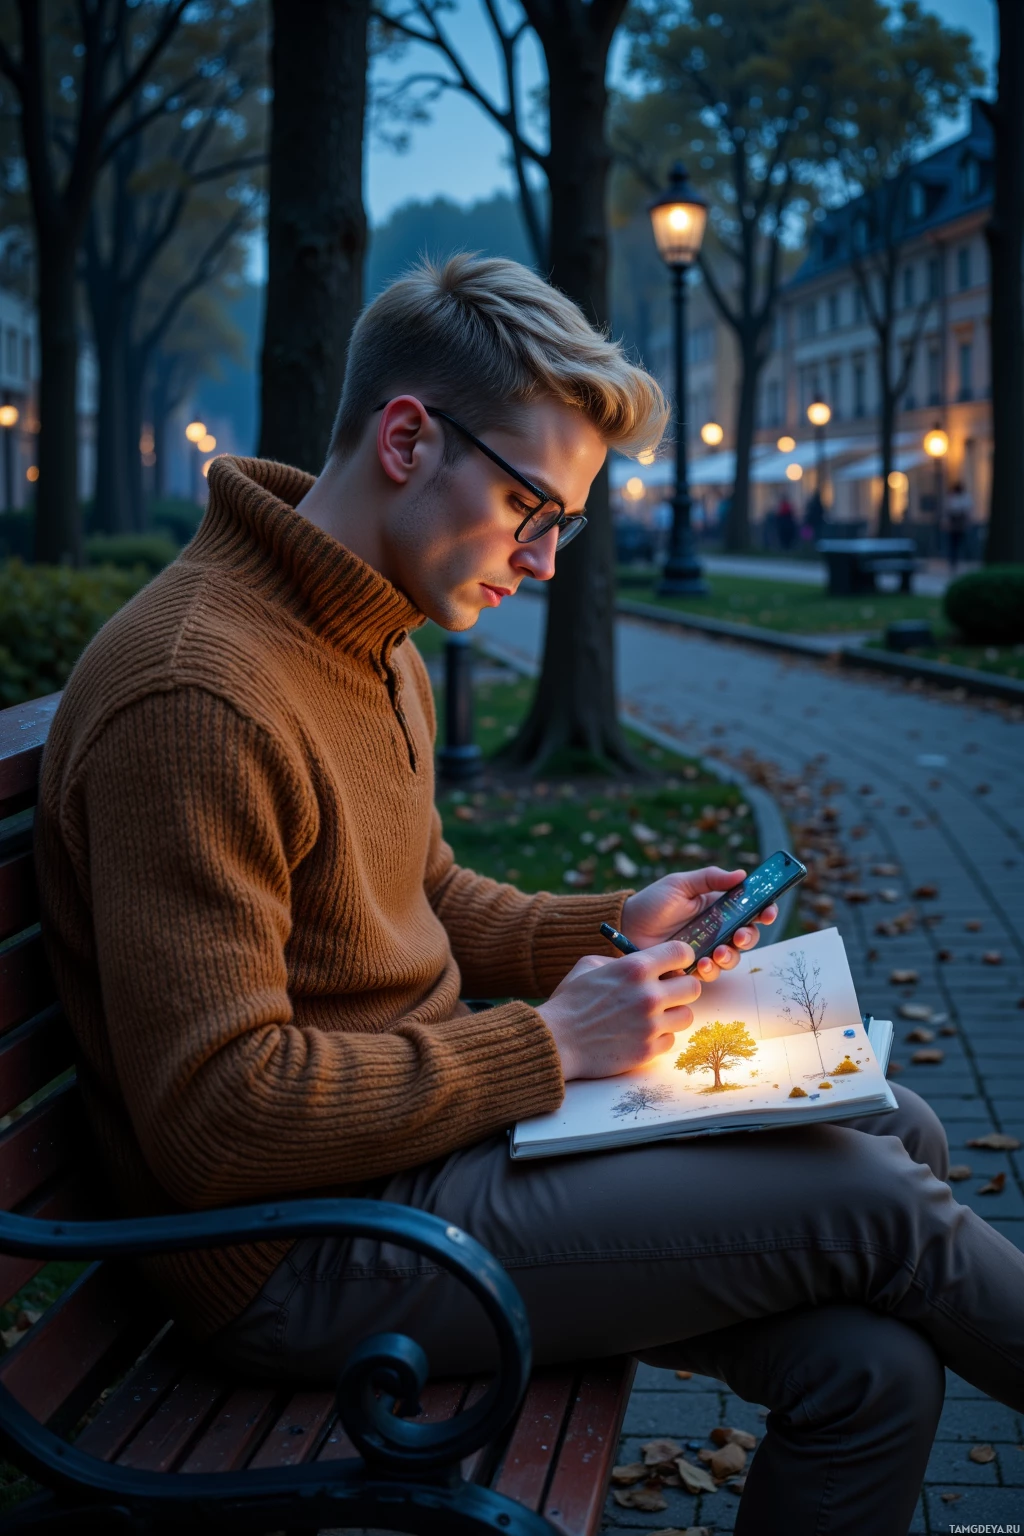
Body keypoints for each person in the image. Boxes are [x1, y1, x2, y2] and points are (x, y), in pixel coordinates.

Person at [35, 255, 1023, 1536]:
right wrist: (553, 1044)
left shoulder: (366, 634)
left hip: (413, 1157)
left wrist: (614, 930)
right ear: (406, 439)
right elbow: (217, 1118)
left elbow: (419, 891)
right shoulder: (200, 694)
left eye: (561, 525)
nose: (545, 561)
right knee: (882, 1200)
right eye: (528, 509)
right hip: (296, 1247)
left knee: (881, 1287)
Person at [945, 479, 972, 570]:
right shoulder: (953, 497)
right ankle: (954, 561)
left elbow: (965, 510)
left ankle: (965, 560)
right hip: (956, 524)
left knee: (962, 544)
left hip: (960, 524)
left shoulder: (963, 497)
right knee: (954, 544)